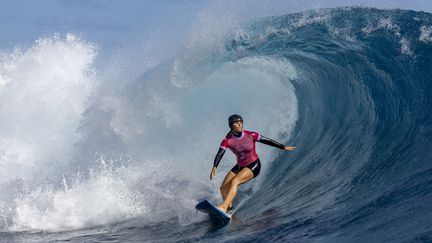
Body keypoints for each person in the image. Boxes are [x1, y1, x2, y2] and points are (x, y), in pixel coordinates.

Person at [210, 114, 296, 213]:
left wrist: (283, 147)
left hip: (253, 165)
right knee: (223, 188)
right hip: (240, 165)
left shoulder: (251, 135)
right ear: (231, 125)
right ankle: (228, 206)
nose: (240, 124)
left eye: (241, 122)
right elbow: (220, 153)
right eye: (237, 123)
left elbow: (267, 141)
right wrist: (215, 167)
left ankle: (223, 207)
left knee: (235, 181)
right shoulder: (227, 140)